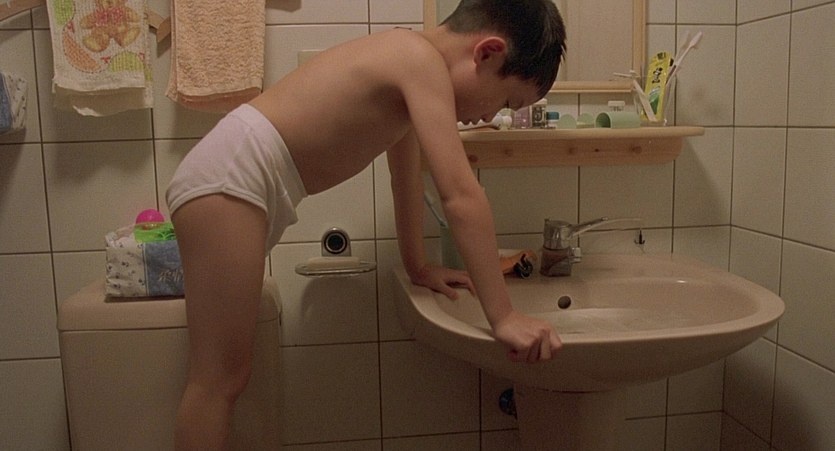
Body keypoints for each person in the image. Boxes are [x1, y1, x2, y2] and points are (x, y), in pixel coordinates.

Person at [165, 0, 567, 449]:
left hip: (236, 180)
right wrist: (504, 316)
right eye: (507, 100)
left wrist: (418, 266)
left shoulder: (411, 64)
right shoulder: (417, 59)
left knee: (224, 380)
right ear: (487, 53)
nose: (491, 116)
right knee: (218, 381)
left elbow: (405, 177)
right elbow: (460, 195)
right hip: (231, 176)